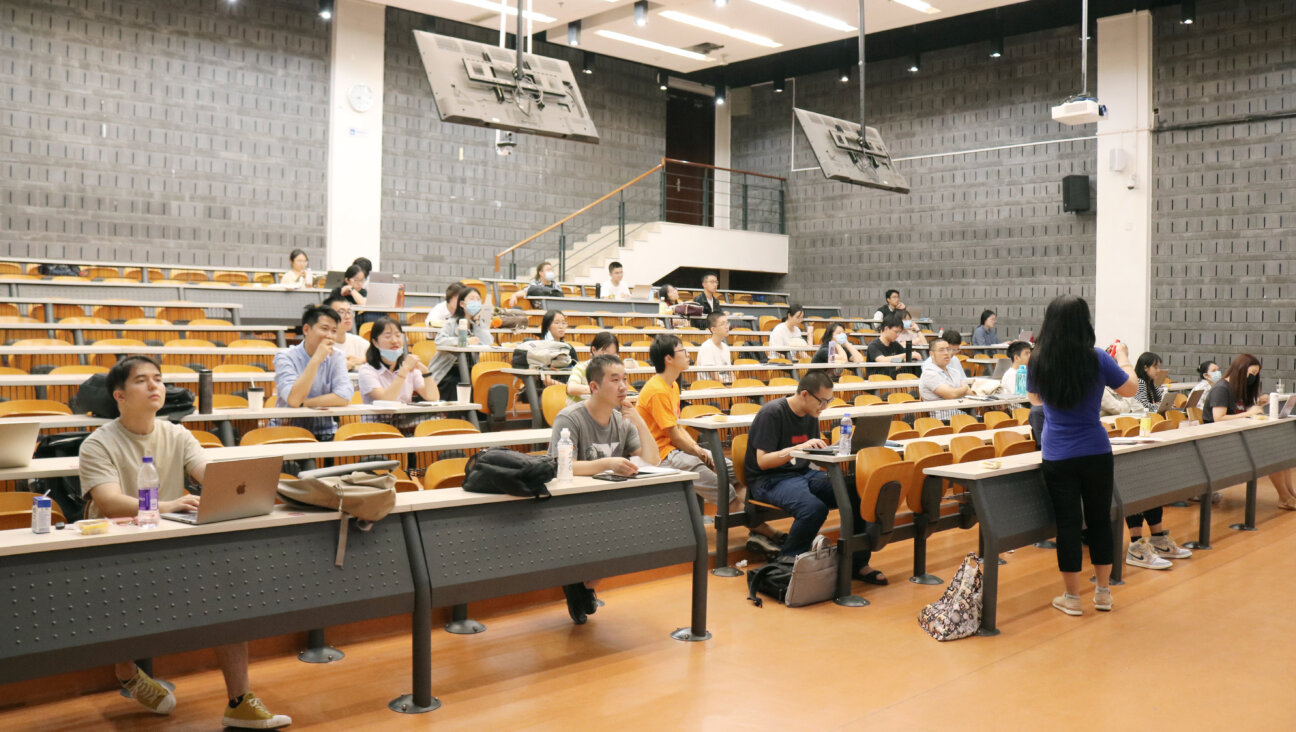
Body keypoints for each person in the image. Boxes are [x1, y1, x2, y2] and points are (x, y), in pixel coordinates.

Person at [78, 356, 291, 728]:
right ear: (120, 396)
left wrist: (244, 483)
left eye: (158, 379)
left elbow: (208, 473)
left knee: (230, 595)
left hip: (169, 538)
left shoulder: (176, 433)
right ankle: (126, 670)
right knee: (125, 615)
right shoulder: (97, 444)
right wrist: (169, 504)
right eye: (141, 380)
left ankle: (239, 702)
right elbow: (110, 502)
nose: (154, 386)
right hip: (113, 549)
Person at [1027, 294, 1137, 616]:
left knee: (1068, 524)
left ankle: (1072, 598)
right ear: (1084, 322)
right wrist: (1126, 358)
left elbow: (1034, 399)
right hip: (1096, 449)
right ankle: (1103, 593)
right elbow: (1130, 389)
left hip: (1058, 453)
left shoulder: (1038, 358)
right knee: (1100, 520)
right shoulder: (1099, 358)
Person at [636, 335, 783, 556]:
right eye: (682, 350)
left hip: (677, 449)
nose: (688, 354)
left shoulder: (672, 386)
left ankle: (756, 528)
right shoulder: (657, 389)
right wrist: (698, 452)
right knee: (722, 484)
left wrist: (701, 451)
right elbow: (673, 435)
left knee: (737, 473)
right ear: (668, 358)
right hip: (663, 455)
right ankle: (769, 532)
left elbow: (677, 429)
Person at [548, 354, 660, 623]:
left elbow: (653, 460)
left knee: (630, 534)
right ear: (594, 387)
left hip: (609, 503)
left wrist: (640, 421)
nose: (623, 386)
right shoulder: (570, 419)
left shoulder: (622, 421)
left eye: (625, 379)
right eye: (614, 380)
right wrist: (606, 463)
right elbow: (559, 466)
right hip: (570, 505)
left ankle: (582, 585)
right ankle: (579, 584)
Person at [745, 371, 884, 583]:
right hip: (768, 480)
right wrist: (797, 448)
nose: (825, 407)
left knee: (856, 492)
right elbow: (763, 461)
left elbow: (810, 454)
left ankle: (858, 562)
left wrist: (836, 452)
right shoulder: (771, 413)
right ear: (805, 395)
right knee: (813, 508)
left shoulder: (811, 414)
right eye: (822, 401)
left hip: (802, 473)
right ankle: (787, 563)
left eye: (829, 401)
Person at [1120, 351, 1192, 568]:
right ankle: (1137, 544)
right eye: (1155, 367)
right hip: (1131, 436)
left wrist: (1165, 405)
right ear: (1145, 368)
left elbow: (1152, 406)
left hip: (1148, 434)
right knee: (1136, 487)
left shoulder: (1151, 385)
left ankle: (1158, 539)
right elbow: (1139, 409)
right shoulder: (1135, 385)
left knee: (1152, 486)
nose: (1158, 371)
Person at [1203, 353, 1296, 509]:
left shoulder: (1239, 388)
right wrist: (1249, 413)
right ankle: (1284, 497)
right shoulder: (1221, 389)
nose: (1253, 377)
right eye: (1251, 373)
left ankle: (1291, 494)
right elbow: (1218, 418)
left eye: (1255, 374)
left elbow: (1240, 412)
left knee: (1281, 453)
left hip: (1237, 437)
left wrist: (1258, 404)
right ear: (1240, 370)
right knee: (1270, 455)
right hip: (1218, 443)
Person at [272, 303, 354, 441]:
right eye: (324, 329)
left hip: (326, 431)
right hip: (287, 431)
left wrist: (305, 403)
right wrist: (316, 359)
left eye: (334, 331)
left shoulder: (337, 356)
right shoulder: (285, 357)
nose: (330, 336)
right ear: (306, 329)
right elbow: (294, 400)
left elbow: (343, 397)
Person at [357, 317, 439, 435]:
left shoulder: (408, 369)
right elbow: (387, 401)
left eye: (398, 335)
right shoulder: (367, 371)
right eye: (387, 336)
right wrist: (403, 372)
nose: (394, 340)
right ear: (375, 342)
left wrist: (425, 372)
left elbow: (433, 397)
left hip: (404, 427)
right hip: (375, 430)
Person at [428, 285, 493, 401]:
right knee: (459, 387)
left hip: (469, 369)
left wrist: (478, 322)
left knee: (484, 386)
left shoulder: (476, 324)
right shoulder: (451, 323)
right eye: (472, 299)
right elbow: (439, 341)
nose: (476, 302)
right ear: (462, 304)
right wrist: (463, 341)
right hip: (449, 371)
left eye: (478, 299)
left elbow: (488, 342)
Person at [919, 336, 970, 420]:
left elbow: (969, 393)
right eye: (941, 350)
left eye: (948, 349)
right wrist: (964, 389)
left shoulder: (954, 372)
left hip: (961, 415)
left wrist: (963, 390)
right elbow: (951, 394)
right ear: (932, 354)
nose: (946, 353)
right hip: (942, 421)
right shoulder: (929, 373)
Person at [566, 331, 620, 405]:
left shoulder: (613, 371)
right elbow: (571, 388)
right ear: (594, 350)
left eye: (613, 356)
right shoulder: (581, 367)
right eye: (605, 354)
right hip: (577, 413)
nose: (609, 359)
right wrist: (598, 388)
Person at [323, 294, 368, 370]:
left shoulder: (358, 342)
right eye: (341, 312)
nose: (347, 316)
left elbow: (384, 359)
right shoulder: (320, 345)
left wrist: (364, 360)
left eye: (349, 312)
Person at [695, 312, 735, 385]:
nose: (727, 326)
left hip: (727, 387)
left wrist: (734, 385)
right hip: (711, 389)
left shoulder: (725, 347)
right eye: (723, 324)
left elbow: (730, 372)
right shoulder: (707, 347)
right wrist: (730, 387)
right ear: (713, 329)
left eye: (727, 323)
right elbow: (715, 378)